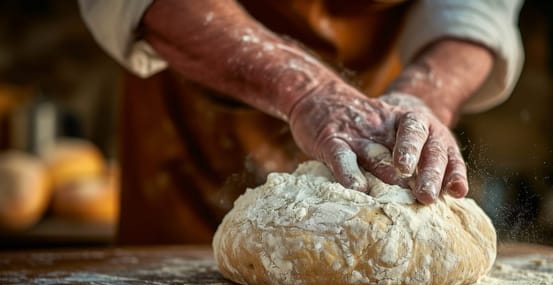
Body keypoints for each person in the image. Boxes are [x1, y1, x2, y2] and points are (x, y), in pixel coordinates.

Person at [78, 0, 524, 244]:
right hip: (200, 101)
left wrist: (424, 96)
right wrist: (307, 92)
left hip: (375, 115)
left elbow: (478, 9)